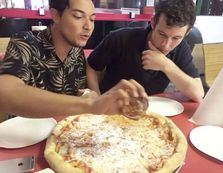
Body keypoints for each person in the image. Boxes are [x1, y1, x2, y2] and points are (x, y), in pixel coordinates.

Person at [0, 0, 147, 119]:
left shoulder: (76, 52)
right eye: (78, 16)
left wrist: (89, 95)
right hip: (24, 138)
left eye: (92, 19)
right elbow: (5, 93)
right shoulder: (25, 42)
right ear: (56, 15)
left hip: (63, 135)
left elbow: (78, 92)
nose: (88, 26)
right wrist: (89, 104)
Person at [87, 0, 205, 102]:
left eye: (176, 38)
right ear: (153, 22)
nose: (166, 45)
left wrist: (166, 65)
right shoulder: (120, 38)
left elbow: (198, 94)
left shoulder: (181, 48)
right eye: (162, 34)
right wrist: (97, 100)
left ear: (187, 32)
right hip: (111, 106)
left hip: (150, 111)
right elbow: (91, 67)